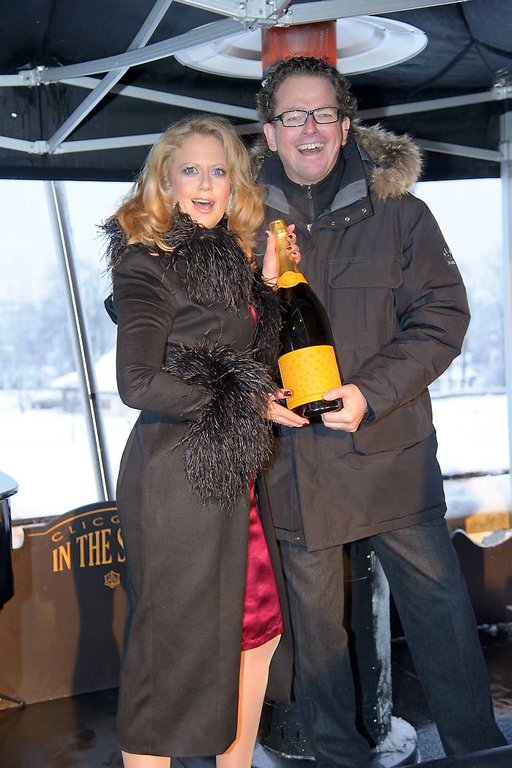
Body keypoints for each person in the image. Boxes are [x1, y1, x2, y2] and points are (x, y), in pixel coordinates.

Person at [254, 56, 508, 767]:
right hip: (294, 464)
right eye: (292, 116)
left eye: (322, 113)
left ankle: (478, 753)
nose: (309, 128)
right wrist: (252, 391)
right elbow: (209, 330)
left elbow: (443, 317)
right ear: (269, 133)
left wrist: (370, 392)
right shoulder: (239, 224)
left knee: (441, 616)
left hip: (391, 451)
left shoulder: (403, 213)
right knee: (316, 637)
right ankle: (338, 759)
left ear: (346, 125)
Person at [103, 113, 300, 768]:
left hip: (226, 479)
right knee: (169, 657)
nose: (207, 183)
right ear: (165, 181)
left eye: (219, 170)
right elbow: (137, 382)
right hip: (175, 482)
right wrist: (242, 402)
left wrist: (264, 286)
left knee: (256, 635)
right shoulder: (146, 262)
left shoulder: (228, 263)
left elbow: (245, 357)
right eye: (191, 170)